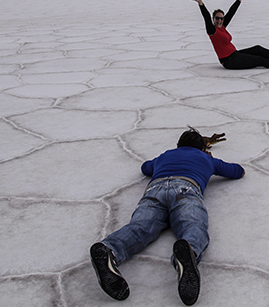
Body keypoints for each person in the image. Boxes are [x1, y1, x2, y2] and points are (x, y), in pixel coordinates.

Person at [89, 128, 244, 305]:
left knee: (140, 227)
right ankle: (188, 252)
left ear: (178, 145)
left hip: (155, 190)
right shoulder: (206, 158)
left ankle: (109, 250)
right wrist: (207, 158)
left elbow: (145, 167)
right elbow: (237, 171)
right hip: (186, 189)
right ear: (202, 148)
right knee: (193, 225)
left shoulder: (165, 156)